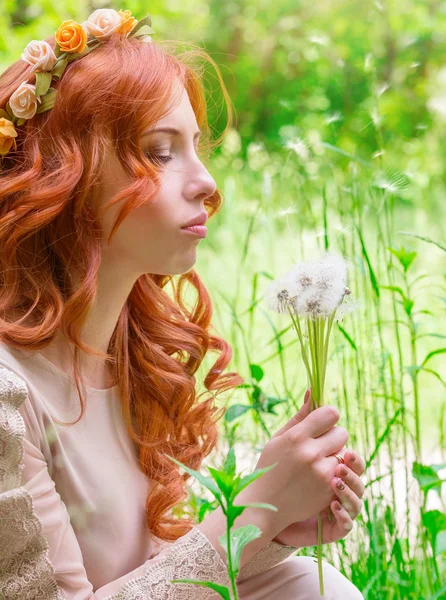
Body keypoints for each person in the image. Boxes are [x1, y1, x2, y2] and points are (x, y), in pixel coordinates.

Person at [0, 8, 365, 598]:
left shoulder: (132, 360)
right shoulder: (7, 400)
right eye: (161, 152)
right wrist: (254, 509)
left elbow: (152, 572)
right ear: (63, 178)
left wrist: (275, 524)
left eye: (195, 146)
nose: (207, 184)